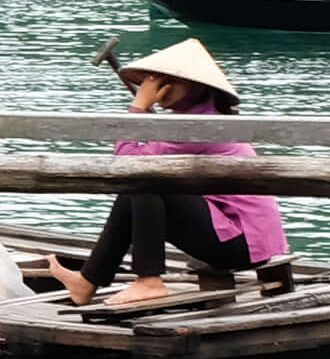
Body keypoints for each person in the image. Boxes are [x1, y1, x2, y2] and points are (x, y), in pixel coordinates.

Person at [54, 38, 288, 308]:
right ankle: (88, 281)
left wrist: (140, 106)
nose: (158, 87)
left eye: (169, 81)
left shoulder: (196, 127)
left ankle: (148, 280)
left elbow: (128, 165)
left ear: (196, 87)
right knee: (136, 190)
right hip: (235, 236)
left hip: (240, 244)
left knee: (144, 181)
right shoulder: (190, 121)